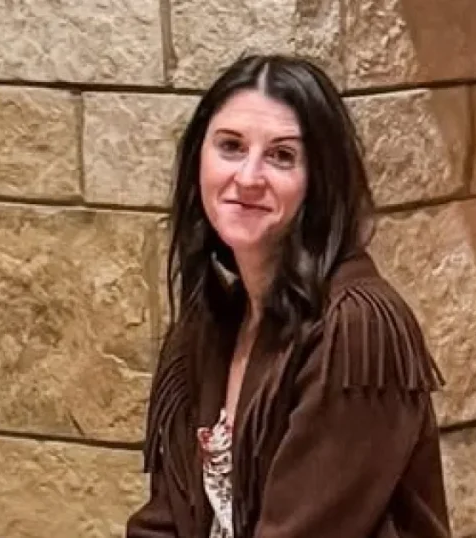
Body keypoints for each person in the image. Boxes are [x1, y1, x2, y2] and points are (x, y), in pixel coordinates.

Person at [124, 54, 451, 538]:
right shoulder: (206, 329)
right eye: (231, 146)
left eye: (281, 156)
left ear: (318, 182)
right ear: (198, 159)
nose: (248, 177)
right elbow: (163, 524)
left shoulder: (356, 330)